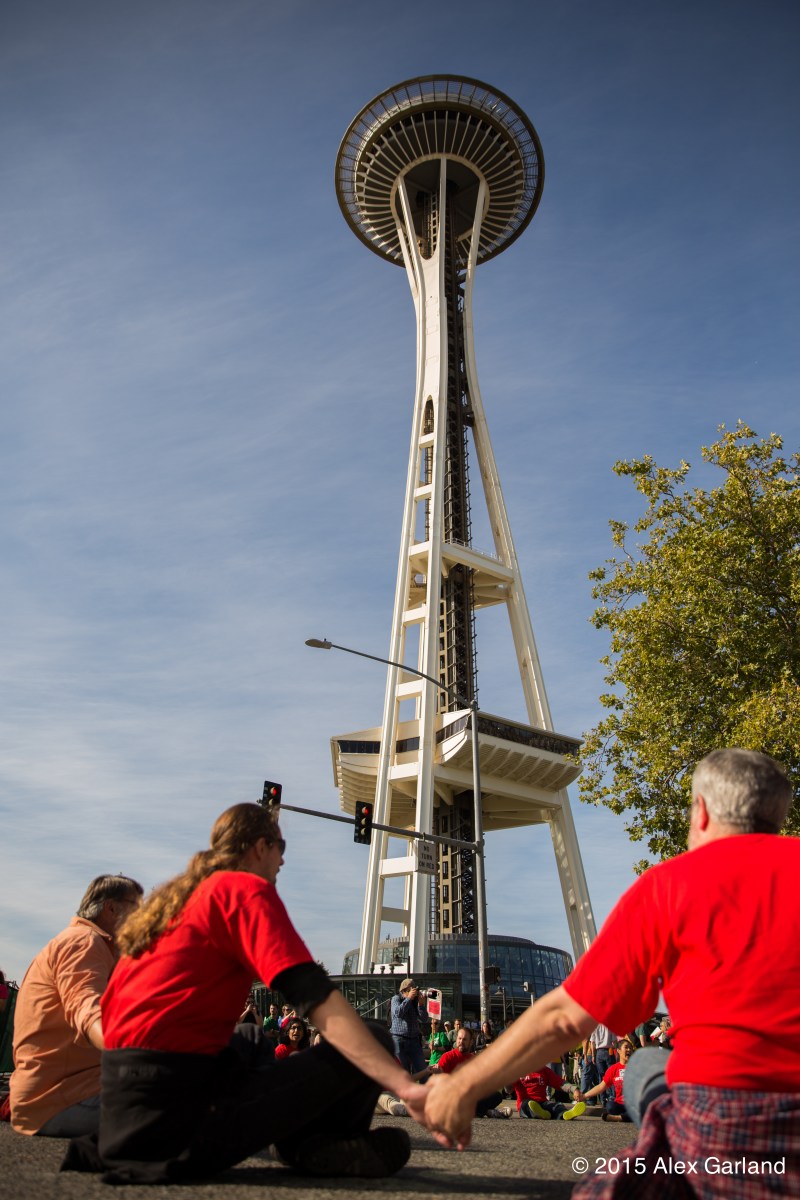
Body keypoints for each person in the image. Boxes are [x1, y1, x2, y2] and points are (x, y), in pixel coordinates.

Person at [423, 749, 800, 1197]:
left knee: (643, 1067)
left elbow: (564, 1019)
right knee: (646, 1063)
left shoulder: (669, 886)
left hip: (719, 1123)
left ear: (700, 811)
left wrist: (463, 1086)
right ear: (780, 812)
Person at [62, 804, 429, 1183]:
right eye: (280, 847)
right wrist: (401, 1084)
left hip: (122, 1108)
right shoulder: (243, 889)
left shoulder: (170, 903)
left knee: (250, 1039)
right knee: (374, 1039)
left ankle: (292, 1130)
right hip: (177, 1127)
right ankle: (315, 1143)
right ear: (259, 846)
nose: (282, 860)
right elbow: (312, 994)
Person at [9, 875, 143, 1137]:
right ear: (110, 908)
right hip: (63, 1098)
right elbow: (86, 1006)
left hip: (70, 1090)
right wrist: (133, 1054)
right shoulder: (85, 942)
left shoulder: (93, 945)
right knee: (192, 1108)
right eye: (136, 906)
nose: (142, 916)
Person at [430, 1026, 509, 1118]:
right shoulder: (447, 1057)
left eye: (464, 1039)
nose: (461, 1042)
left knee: (496, 1096)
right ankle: (484, 1111)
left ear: (471, 1042)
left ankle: (477, 1111)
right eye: (459, 1039)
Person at [576, 1038, 634, 1121]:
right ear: (618, 1050)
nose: (629, 1050)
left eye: (630, 1048)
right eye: (626, 1047)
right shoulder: (613, 1069)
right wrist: (584, 1096)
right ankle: (626, 1116)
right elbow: (601, 1087)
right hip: (620, 1104)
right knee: (610, 1106)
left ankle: (618, 1118)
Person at [511, 1063, 585, 1121]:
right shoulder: (518, 1070)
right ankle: (539, 1113)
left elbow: (559, 1082)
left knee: (557, 1106)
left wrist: (574, 1089)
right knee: (526, 1105)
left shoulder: (545, 1070)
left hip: (542, 1103)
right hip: (525, 1102)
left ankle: (565, 1114)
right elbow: (508, 1089)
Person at [389, 978, 428, 1074]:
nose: (414, 992)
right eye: (411, 990)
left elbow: (424, 1019)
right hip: (399, 1039)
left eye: (415, 989)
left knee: (422, 1070)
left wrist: (421, 1005)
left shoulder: (415, 1002)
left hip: (414, 1040)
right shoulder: (396, 998)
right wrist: (408, 999)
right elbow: (398, 1013)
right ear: (404, 991)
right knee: (403, 1072)